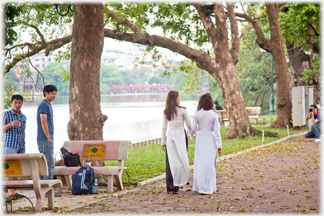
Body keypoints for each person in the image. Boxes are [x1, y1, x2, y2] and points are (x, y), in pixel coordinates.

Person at [190, 93, 222, 194]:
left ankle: (200, 186)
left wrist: (192, 136)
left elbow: (192, 128)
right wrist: (219, 146)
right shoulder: (214, 115)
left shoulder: (197, 114)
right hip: (210, 139)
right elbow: (217, 132)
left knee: (200, 162)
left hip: (200, 138)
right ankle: (210, 187)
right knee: (209, 163)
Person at [161, 90, 192, 194]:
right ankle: (179, 183)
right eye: (179, 97)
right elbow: (189, 125)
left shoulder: (166, 111)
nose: (180, 99)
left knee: (170, 161)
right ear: (175, 99)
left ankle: (171, 187)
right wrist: (194, 134)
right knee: (181, 159)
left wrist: (163, 142)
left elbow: (164, 128)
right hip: (181, 136)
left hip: (170, 137)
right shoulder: (182, 111)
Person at [37, 84, 61, 197]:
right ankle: (48, 190)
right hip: (45, 140)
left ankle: (45, 189)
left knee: (46, 164)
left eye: (55, 94)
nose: (54, 96)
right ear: (46, 93)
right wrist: (48, 137)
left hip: (46, 139)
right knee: (49, 164)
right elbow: (43, 122)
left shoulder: (48, 105)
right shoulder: (43, 105)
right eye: (52, 93)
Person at [2, 94, 27, 200]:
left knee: (17, 168)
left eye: (19, 102)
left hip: (20, 145)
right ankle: (10, 191)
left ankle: (13, 190)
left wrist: (23, 142)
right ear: (12, 103)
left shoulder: (23, 116)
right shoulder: (6, 114)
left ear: (22, 103)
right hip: (10, 145)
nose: (17, 104)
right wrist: (11, 124)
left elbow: (23, 130)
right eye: (15, 102)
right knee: (9, 168)